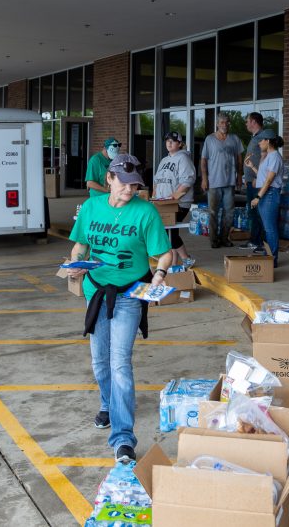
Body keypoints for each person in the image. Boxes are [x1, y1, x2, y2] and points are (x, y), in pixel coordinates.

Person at [67, 153, 173, 463]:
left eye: (135, 186)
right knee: (99, 361)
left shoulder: (146, 213)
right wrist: (75, 264)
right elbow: (80, 245)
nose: (130, 191)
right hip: (95, 291)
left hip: (129, 294)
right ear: (110, 179)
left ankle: (123, 438)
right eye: (124, 184)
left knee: (119, 363)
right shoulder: (90, 208)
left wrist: (159, 275)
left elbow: (164, 255)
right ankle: (107, 404)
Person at [200, 112, 244, 248]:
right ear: (218, 124)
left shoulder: (234, 139)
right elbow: (204, 160)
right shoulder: (210, 139)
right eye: (222, 122)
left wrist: (239, 176)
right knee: (213, 212)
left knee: (229, 212)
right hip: (213, 182)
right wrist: (204, 179)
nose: (225, 125)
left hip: (229, 182)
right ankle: (214, 240)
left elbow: (239, 159)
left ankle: (224, 238)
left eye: (227, 122)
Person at [153, 131, 196, 267]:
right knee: (171, 231)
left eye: (172, 141)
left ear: (179, 143)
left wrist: (175, 197)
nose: (169, 143)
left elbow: (188, 180)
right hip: (164, 203)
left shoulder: (183, 158)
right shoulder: (164, 160)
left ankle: (186, 258)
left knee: (168, 231)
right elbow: (157, 181)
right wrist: (154, 197)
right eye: (167, 141)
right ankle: (173, 261)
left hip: (179, 203)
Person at [246, 130, 284, 267]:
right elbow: (263, 177)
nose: (259, 143)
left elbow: (269, 180)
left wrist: (257, 197)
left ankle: (272, 259)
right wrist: (253, 167)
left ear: (268, 141)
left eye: (261, 141)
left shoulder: (274, 157)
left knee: (270, 229)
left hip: (269, 194)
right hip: (265, 194)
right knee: (267, 228)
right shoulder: (269, 157)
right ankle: (268, 255)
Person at [240, 112, 265, 250]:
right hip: (251, 181)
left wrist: (257, 177)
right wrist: (247, 178)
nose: (246, 124)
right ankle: (254, 240)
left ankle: (258, 241)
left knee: (256, 212)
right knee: (252, 211)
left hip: (256, 181)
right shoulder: (255, 137)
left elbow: (264, 158)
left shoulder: (262, 138)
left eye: (247, 121)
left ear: (254, 122)